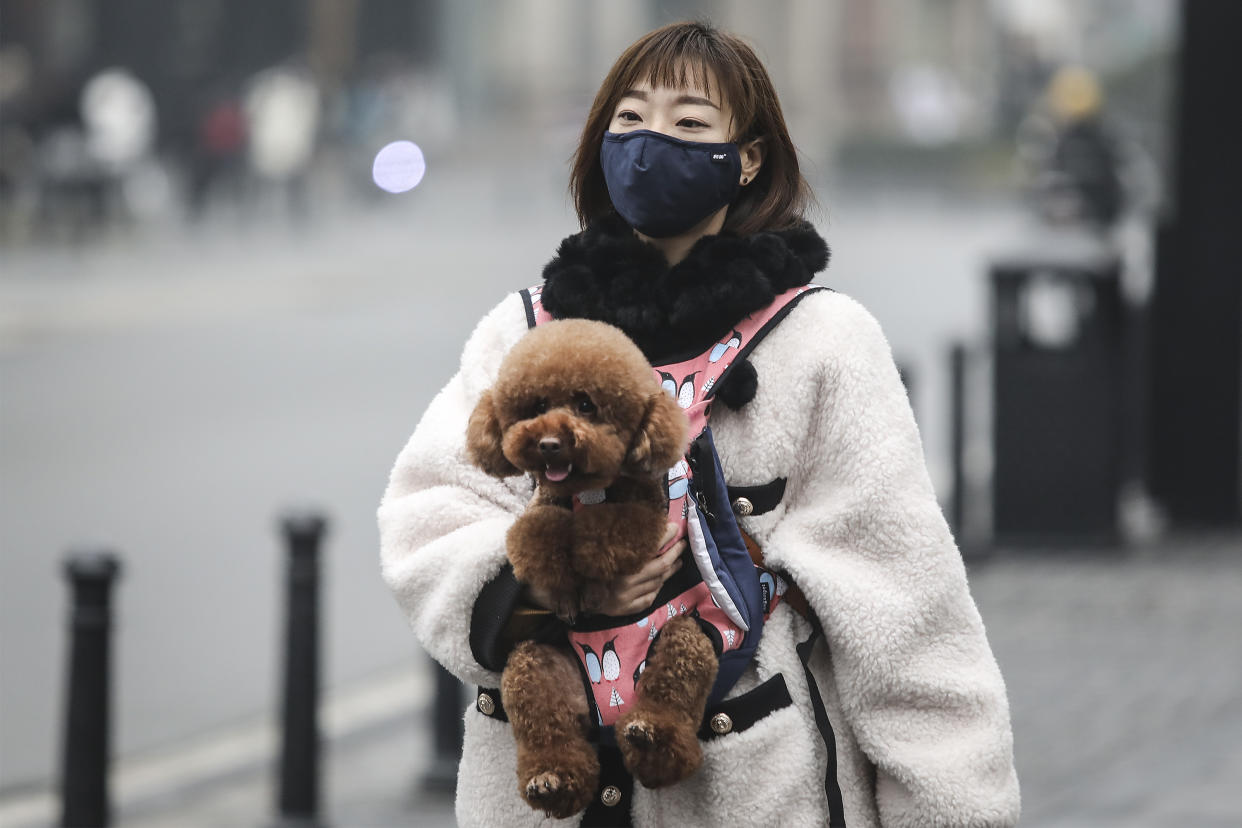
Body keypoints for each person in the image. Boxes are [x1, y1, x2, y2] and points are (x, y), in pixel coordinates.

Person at [379, 21, 1020, 827]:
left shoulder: (822, 342)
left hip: (752, 793)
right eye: (629, 119)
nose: (651, 144)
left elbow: (906, 617)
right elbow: (426, 516)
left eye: (688, 124)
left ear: (747, 157)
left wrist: (953, 810)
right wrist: (540, 586)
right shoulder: (524, 332)